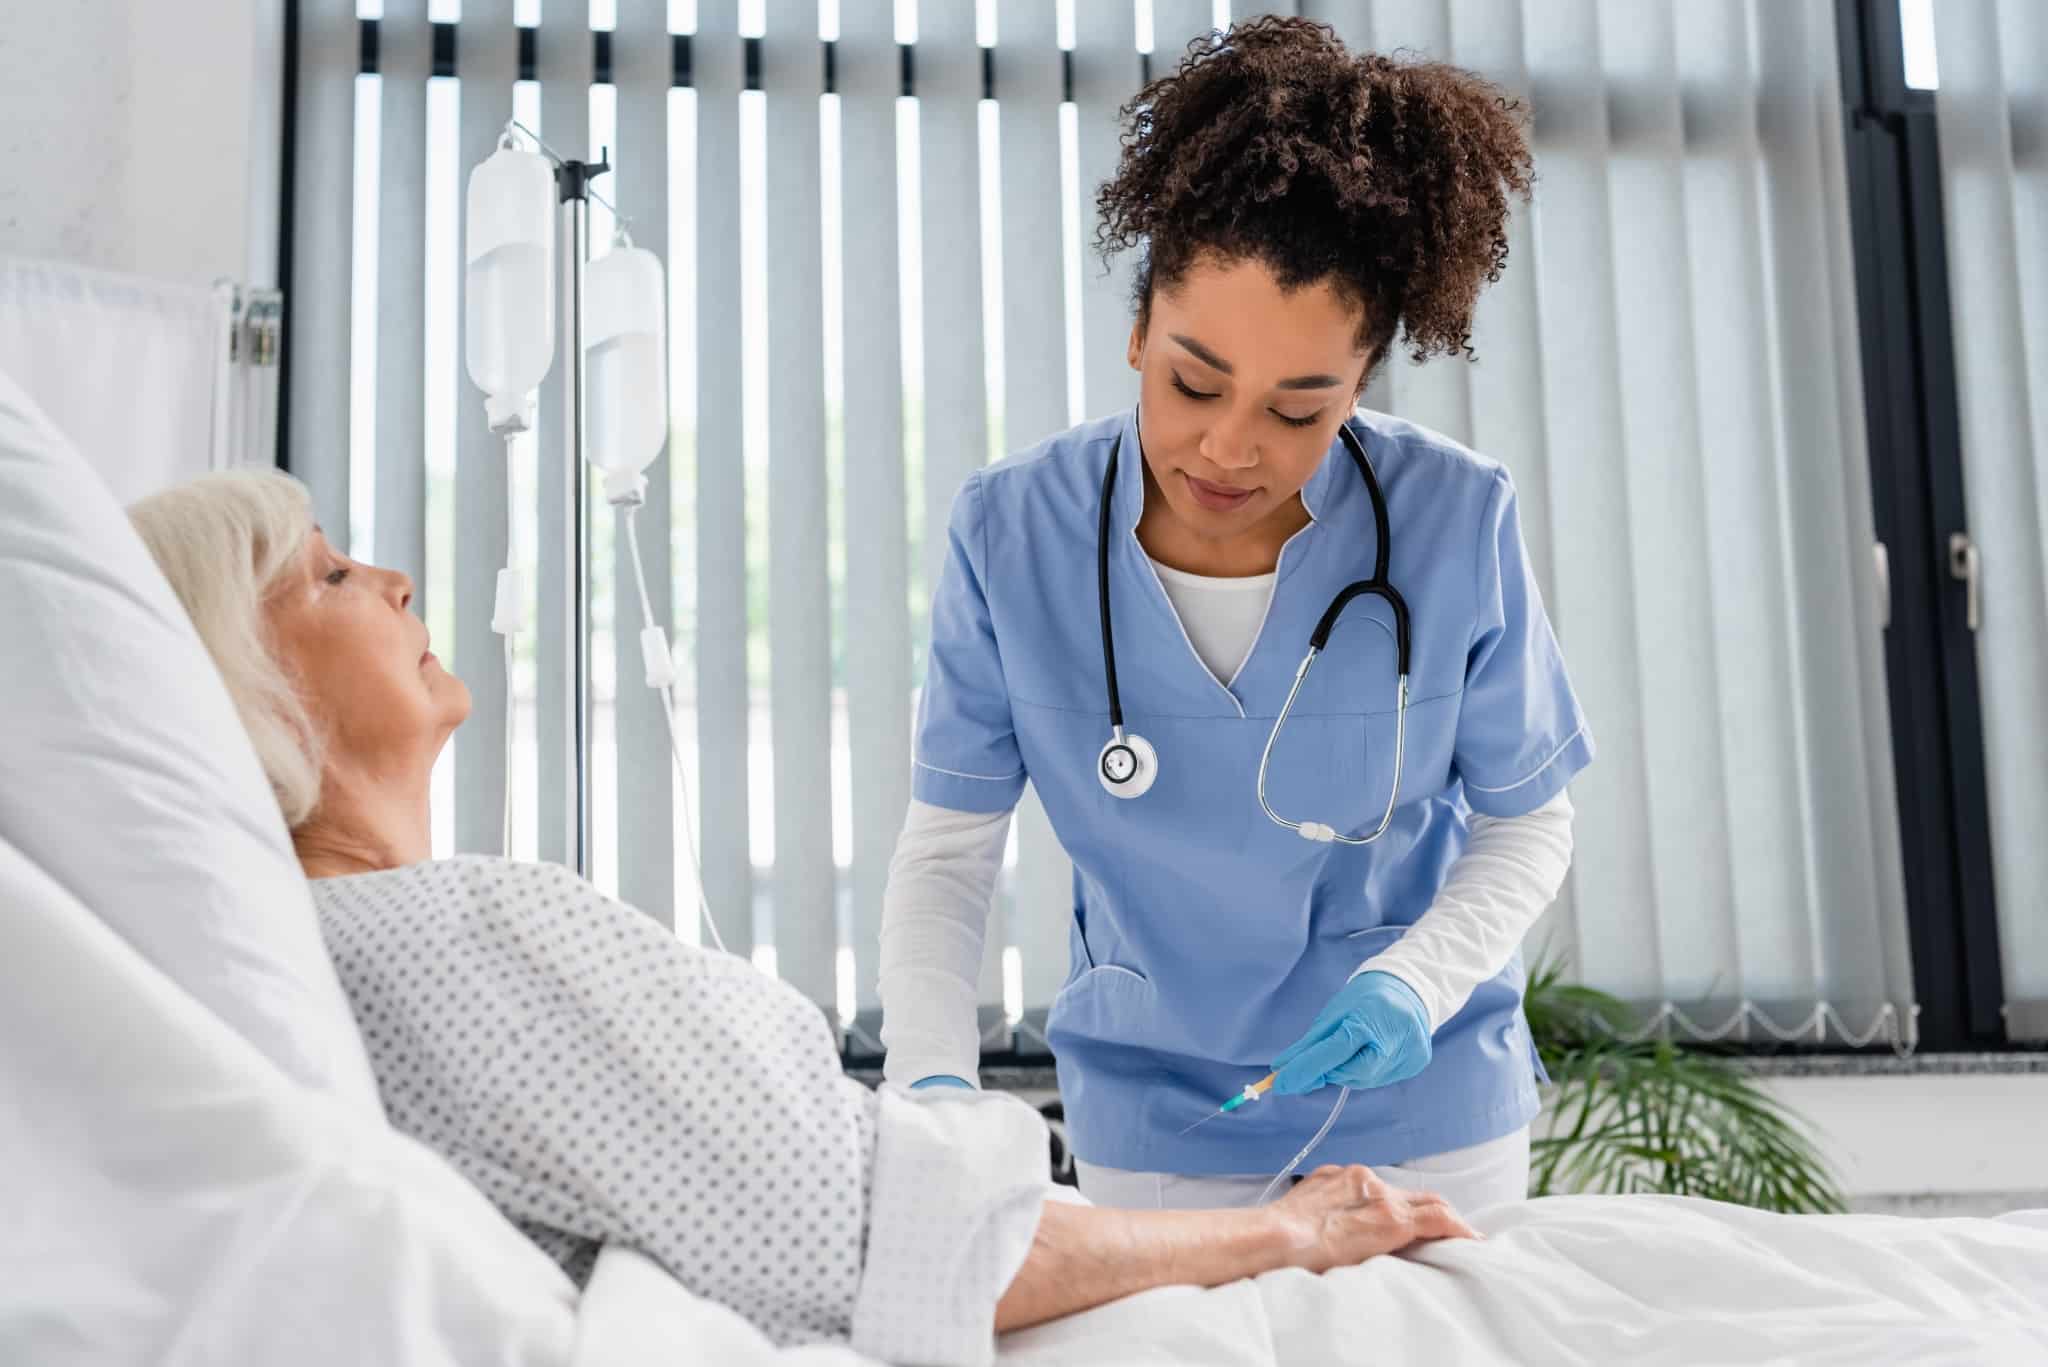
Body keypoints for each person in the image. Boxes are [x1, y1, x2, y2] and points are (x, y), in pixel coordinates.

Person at [127, 468, 1478, 1367]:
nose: (395, 579)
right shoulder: (450, 934)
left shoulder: (314, 963)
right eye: (325, 577)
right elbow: (925, 1238)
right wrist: (1288, 1229)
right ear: (239, 684)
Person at [879, 18, 1591, 1216]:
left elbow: (1526, 823)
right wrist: (935, 1082)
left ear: (1359, 386)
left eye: (1297, 409)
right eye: (1192, 381)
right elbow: (951, 853)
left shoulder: (1452, 520)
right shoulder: (1011, 533)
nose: (1226, 445)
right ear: (1138, 332)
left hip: (1424, 1103)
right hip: (1154, 1106)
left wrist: (1411, 985)